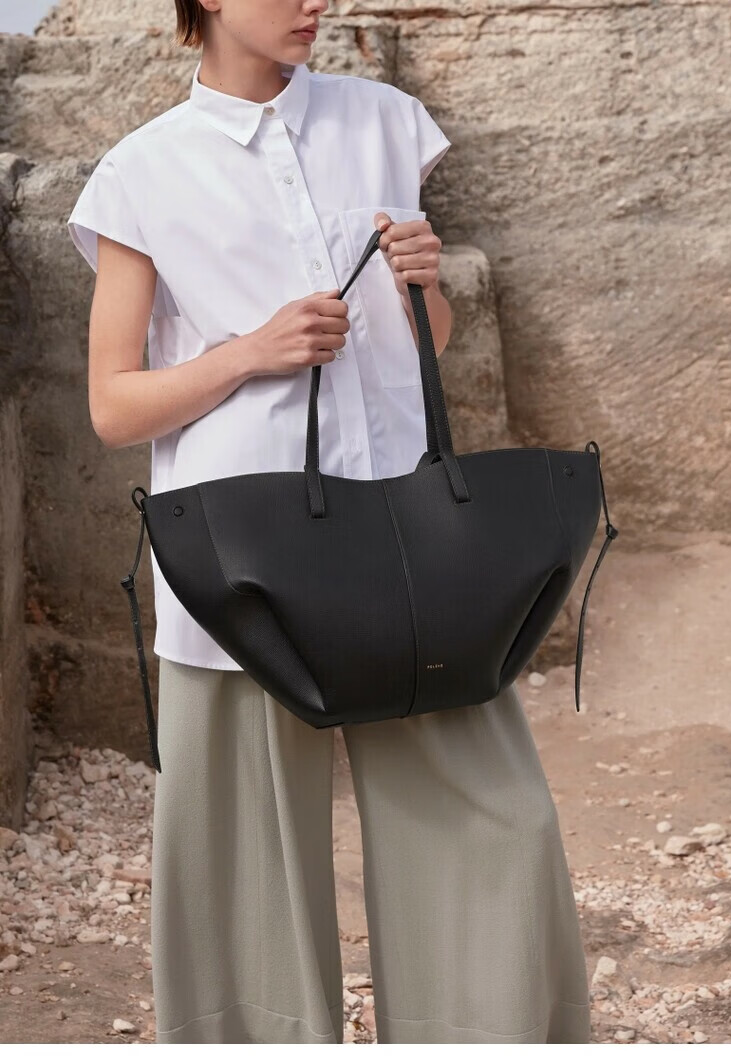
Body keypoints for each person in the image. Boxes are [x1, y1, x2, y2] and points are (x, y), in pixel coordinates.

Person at [66, 0, 592, 1045]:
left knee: (500, 820)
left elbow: (423, 340)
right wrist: (248, 352)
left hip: (408, 548)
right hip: (241, 561)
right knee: (243, 877)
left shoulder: (385, 122)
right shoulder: (140, 173)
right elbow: (113, 406)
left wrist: (423, 285)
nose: (317, 2)